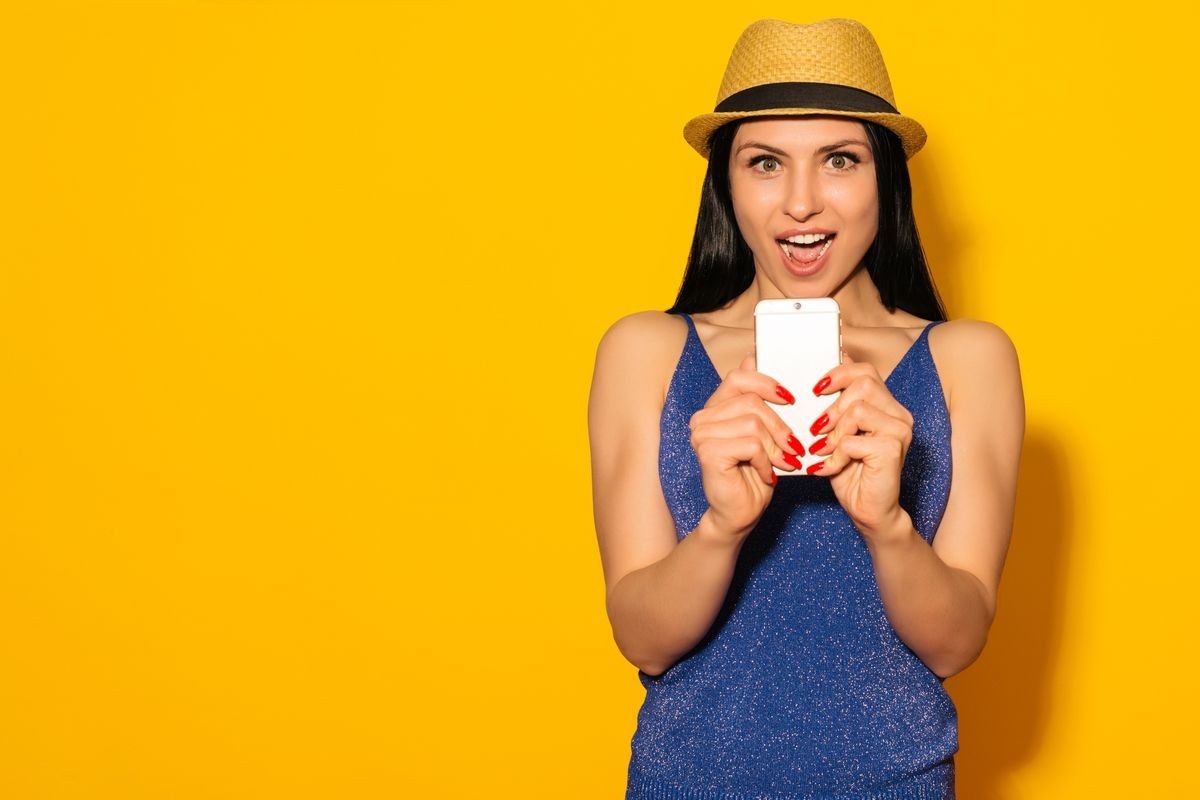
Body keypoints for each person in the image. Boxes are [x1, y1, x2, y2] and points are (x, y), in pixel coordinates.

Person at [588, 18, 1024, 800]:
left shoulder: (969, 360)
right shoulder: (644, 352)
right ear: (726, 182)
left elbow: (958, 644)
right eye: (764, 163)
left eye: (838, 160)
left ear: (885, 178)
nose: (800, 202)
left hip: (898, 784)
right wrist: (722, 527)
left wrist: (886, 523)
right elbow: (642, 641)